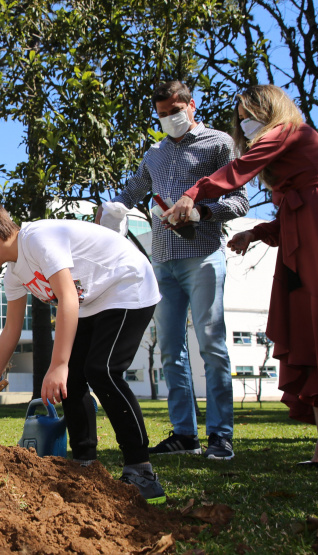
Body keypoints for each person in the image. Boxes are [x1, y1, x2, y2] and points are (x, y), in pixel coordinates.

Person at [165, 84, 318, 469]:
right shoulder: (283, 154)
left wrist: (193, 193)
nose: (244, 123)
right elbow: (294, 209)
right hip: (302, 244)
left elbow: (238, 172)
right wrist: (257, 232)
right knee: (309, 334)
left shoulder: (289, 131)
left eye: (250, 115)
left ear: (270, 111)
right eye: (240, 118)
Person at [0, 197, 167, 505]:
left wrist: (59, 363)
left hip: (128, 283)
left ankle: (141, 470)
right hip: (93, 301)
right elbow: (11, 330)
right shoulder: (14, 273)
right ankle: (84, 463)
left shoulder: (37, 239)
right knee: (73, 383)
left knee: (101, 370)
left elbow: (67, 298)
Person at [98, 80, 249, 460]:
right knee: (170, 351)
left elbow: (240, 201)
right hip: (162, 261)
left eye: (174, 111)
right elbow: (132, 190)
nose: (169, 119)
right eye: (162, 114)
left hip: (203, 255)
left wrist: (202, 211)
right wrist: (113, 207)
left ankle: (220, 436)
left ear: (191, 105)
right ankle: (185, 434)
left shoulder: (218, 144)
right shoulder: (155, 154)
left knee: (211, 346)